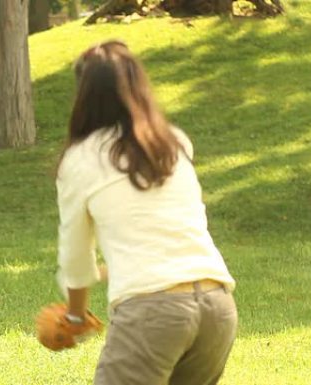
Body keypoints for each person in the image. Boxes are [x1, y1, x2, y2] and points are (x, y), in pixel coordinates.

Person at [55, 40, 238, 385]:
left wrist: (77, 316)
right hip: (217, 306)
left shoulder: (81, 159)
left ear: (84, 96)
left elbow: (75, 257)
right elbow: (173, 226)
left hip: (152, 313)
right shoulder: (173, 142)